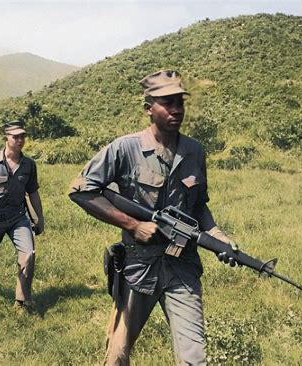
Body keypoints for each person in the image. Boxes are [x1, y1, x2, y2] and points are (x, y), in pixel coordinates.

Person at [69, 70, 238, 365]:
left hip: (182, 266)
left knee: (194, 357)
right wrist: (132, 225)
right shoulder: (125, 148)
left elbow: (199, 207)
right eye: (167, 103)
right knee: (118, 353)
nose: (176, 109)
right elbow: (82, 191)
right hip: (138, 266)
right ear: (149, 109)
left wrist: (220, 237)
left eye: (179, 103)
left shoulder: (194, 151)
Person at [0, 120, 44, 313]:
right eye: (16, 136)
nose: (20, 140)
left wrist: (40, 218)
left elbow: (33, 193)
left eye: (23, 136)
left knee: (28, 254)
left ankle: (21, 301)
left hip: (18, 217)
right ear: (6, 138)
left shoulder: (29, 165)